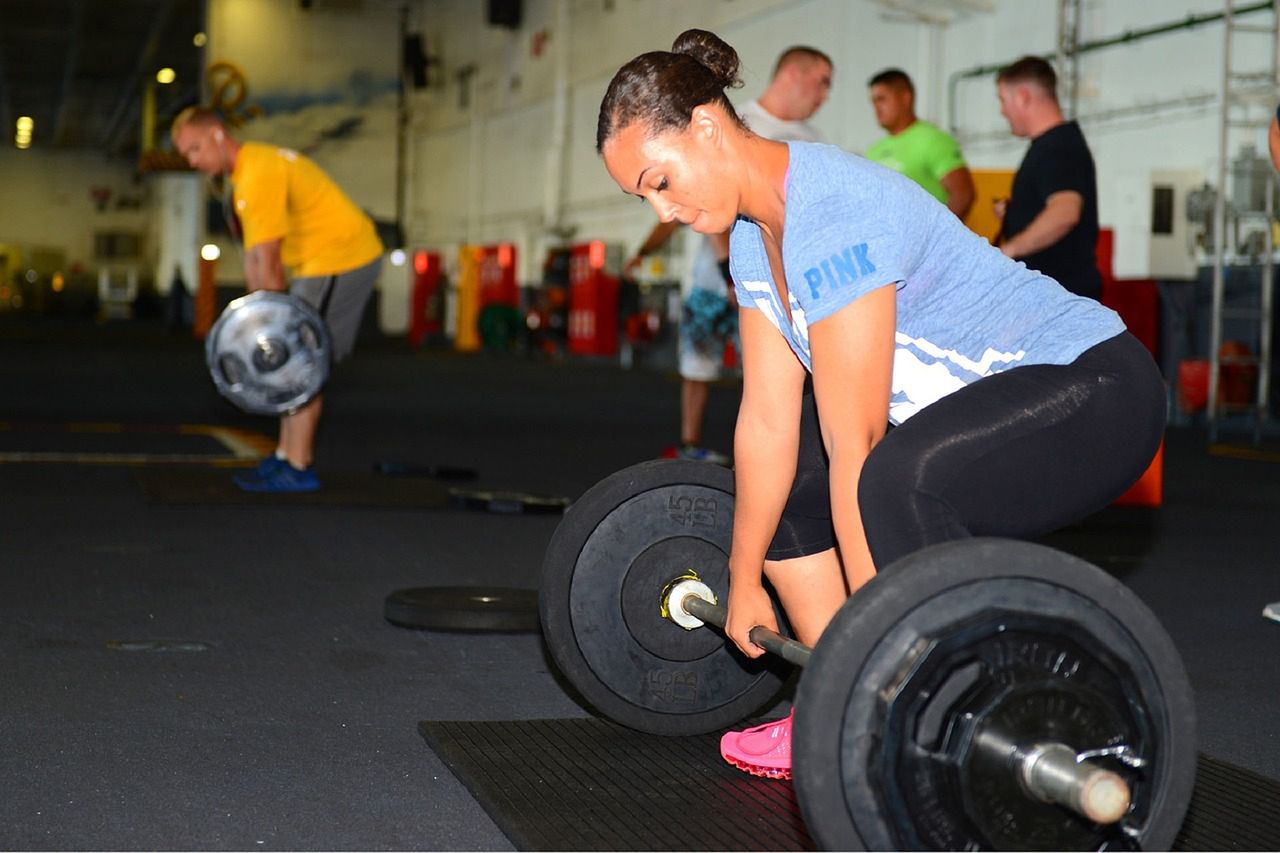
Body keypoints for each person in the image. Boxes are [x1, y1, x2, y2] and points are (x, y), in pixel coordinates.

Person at [596, 30, 1166, 780]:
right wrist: (742, 581)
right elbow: (767, 417)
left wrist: (880, 642)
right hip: (993, 408)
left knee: (894, 481)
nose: (661, 210)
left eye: (659, 180)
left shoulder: (834, 210)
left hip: (1095, 387)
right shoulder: (747, 237)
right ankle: (844, 703)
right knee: (794, 497)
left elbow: (855, 440)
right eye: (643, 196)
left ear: (705, 124)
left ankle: (934, 705)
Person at [624, 45, 833, 465]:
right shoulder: (738, 125)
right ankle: (689, 444)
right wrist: (727, 272)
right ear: (792, 74)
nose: (826, 94)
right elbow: (701, 206)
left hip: (782, 281)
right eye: (822, 82)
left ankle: (775, 459)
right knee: (698, 364)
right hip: (715, 278)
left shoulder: (815, 143)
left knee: (768, 375)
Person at [172, 106, 383, 493]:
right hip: (317, 261)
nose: (194, 161)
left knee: (300, 360)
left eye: (196, 148)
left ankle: (299, 466)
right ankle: (286, 456)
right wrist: (256, 324)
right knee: (288, 358)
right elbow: (255, 260)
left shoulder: (257, 174)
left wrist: (267, 331)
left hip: (343, 256)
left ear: (218, 134)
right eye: (187, 154)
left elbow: (268, 263)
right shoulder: (248, 174)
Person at [994, 56, 1103, 301]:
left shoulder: (1058, 147)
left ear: (1023, 96)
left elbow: (1065, 212)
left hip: (1060, 298)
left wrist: (1009, 250)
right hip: (1053, 295)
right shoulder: (1052, 145)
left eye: (1003, 100)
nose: (1002, 111)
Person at [865, 68, 975, 220]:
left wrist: (935, 238)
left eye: (882, 99)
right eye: (873, 101)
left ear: (905, 98)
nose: (876, 108)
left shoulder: (934, 140)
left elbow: (963, 194)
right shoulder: (874, 150)